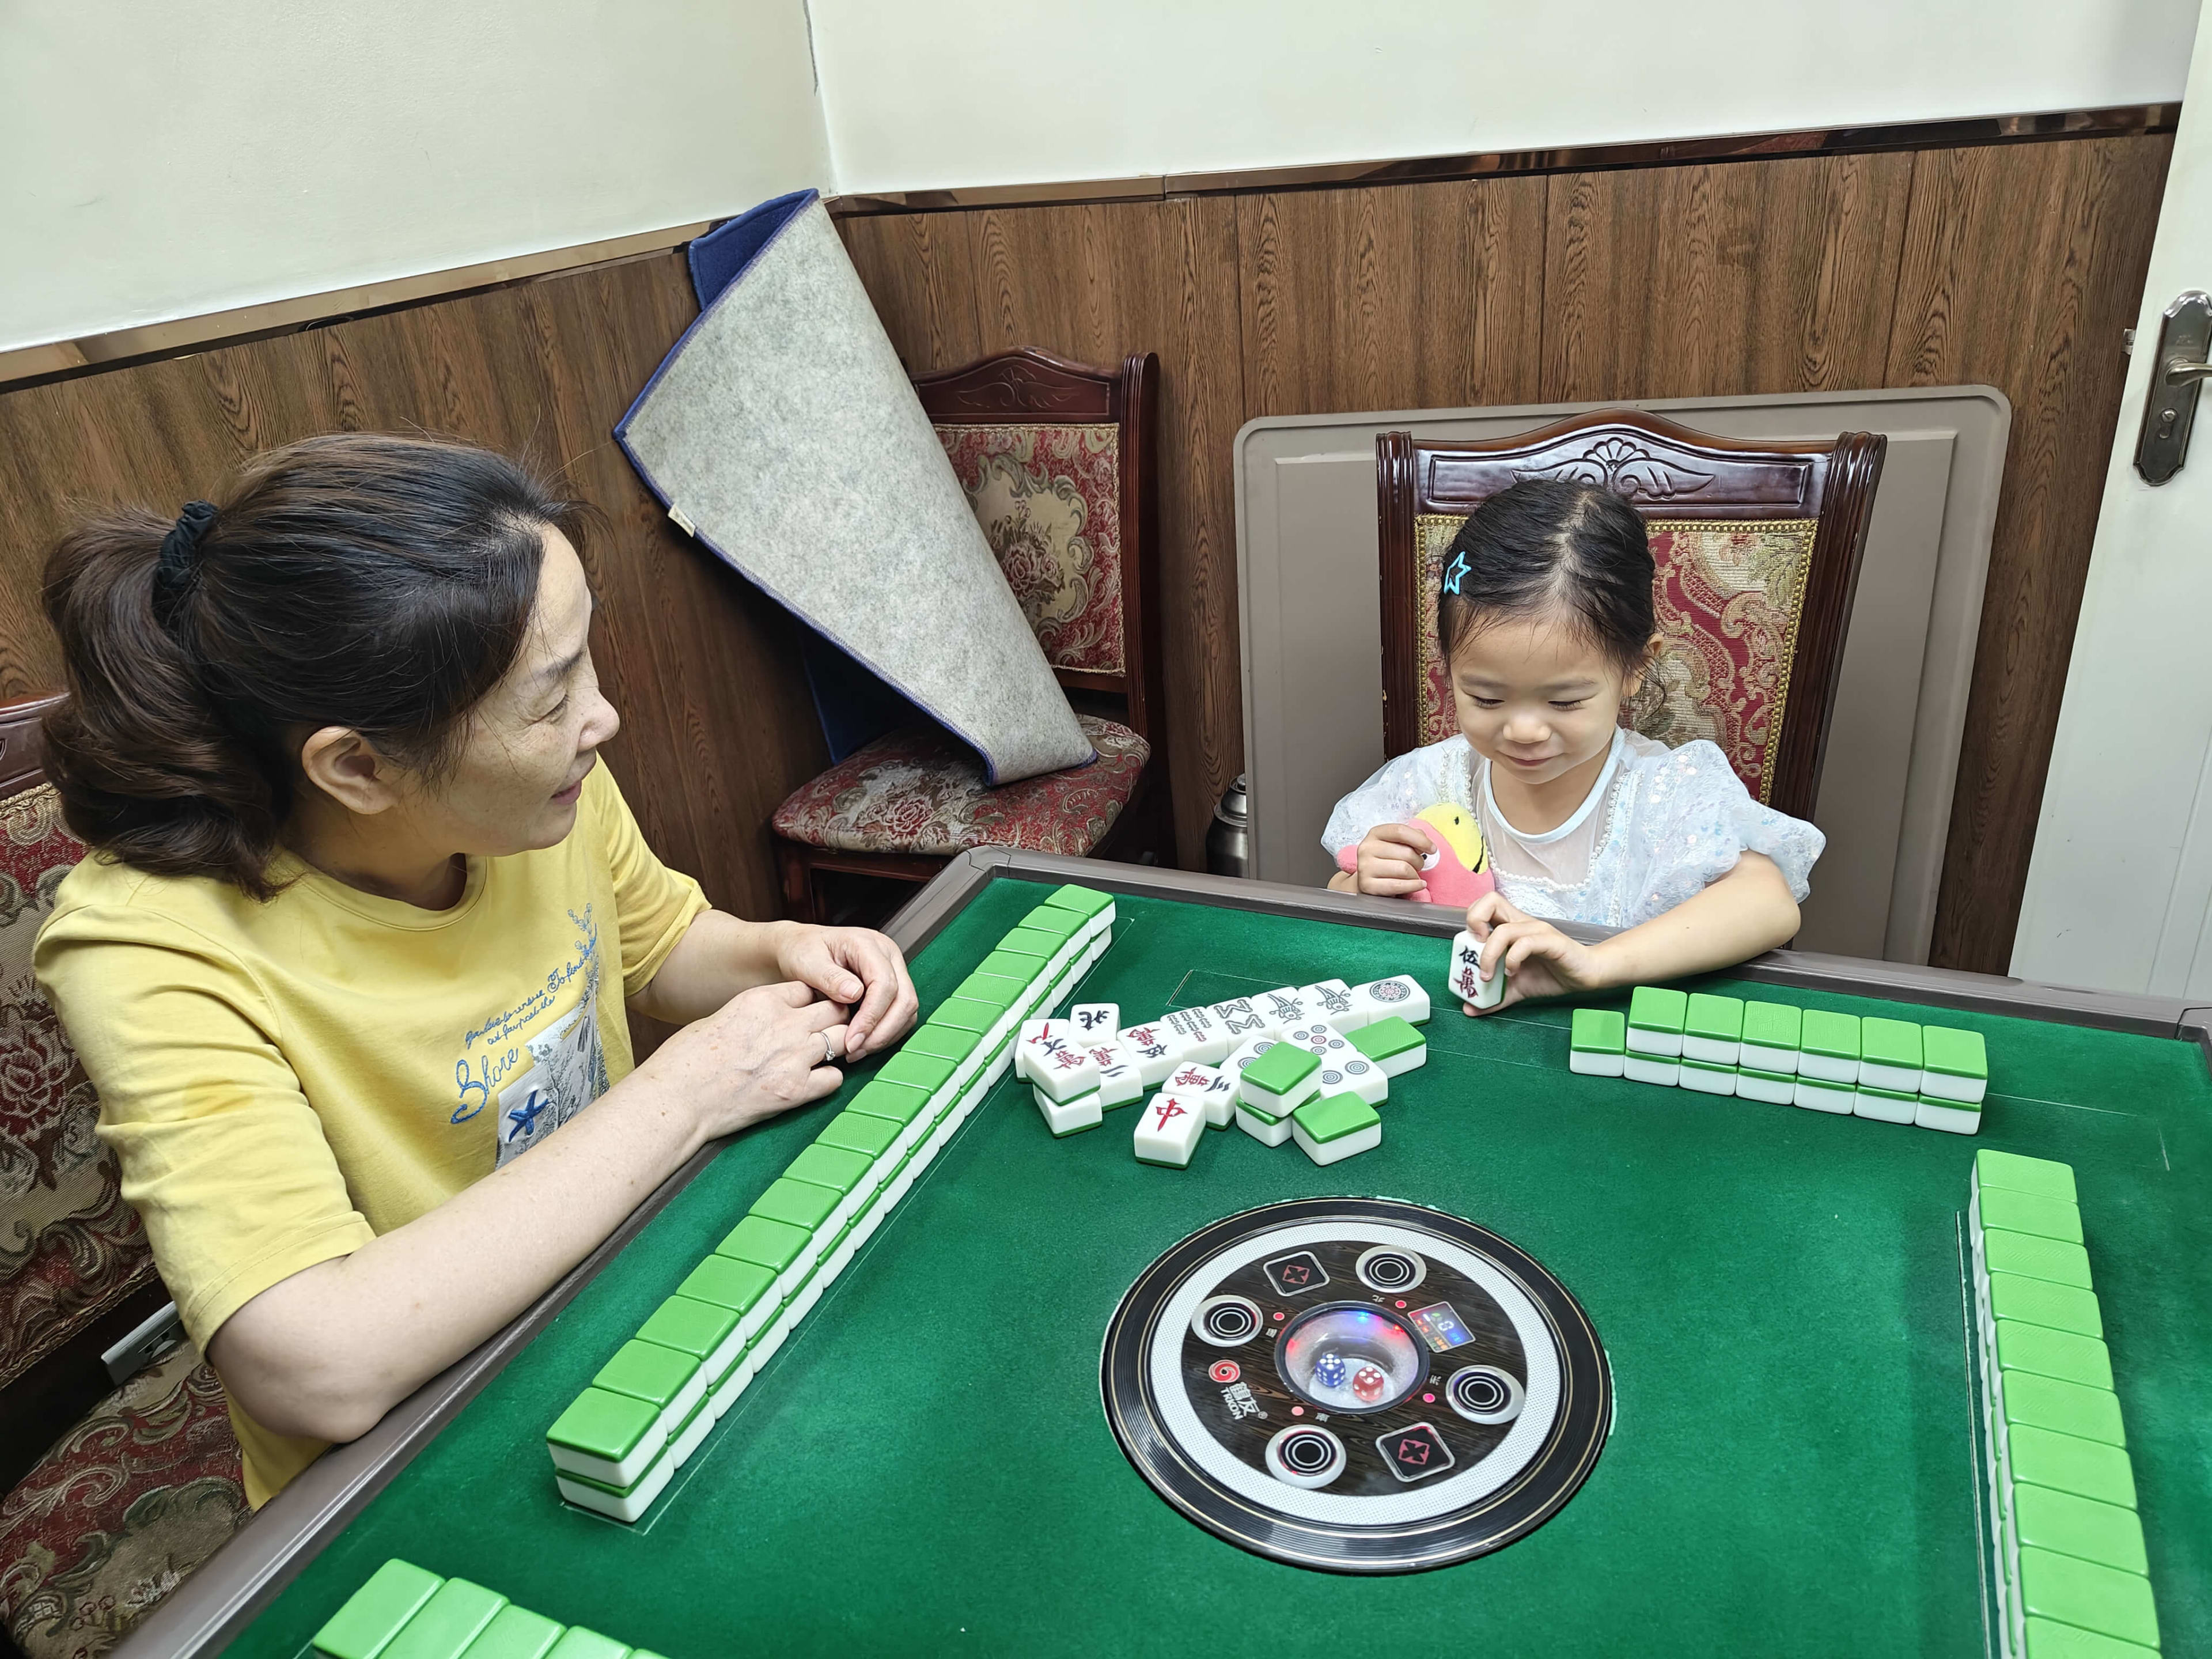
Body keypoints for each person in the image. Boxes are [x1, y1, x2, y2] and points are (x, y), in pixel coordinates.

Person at [33, 433, 918, 1508]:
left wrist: (779, 951)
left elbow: (661, 945)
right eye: (550, 700)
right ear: (356, 765)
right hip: (411, 1456)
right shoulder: (148, 943)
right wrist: (688, 1091)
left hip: (613, 1290)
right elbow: (317, 1361)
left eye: (583, 662)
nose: (602, 718)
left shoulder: (538, 793)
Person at [1324, 478, 1821, 1013]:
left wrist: (1594, 966)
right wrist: (1363, 885)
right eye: (1486, 698)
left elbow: (1769, 904)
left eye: (1564, 702)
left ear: (1637, 667)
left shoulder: (1665, 791)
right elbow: (1338, 896)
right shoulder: (1427, 781)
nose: (1524, 732)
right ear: (1448, 667)